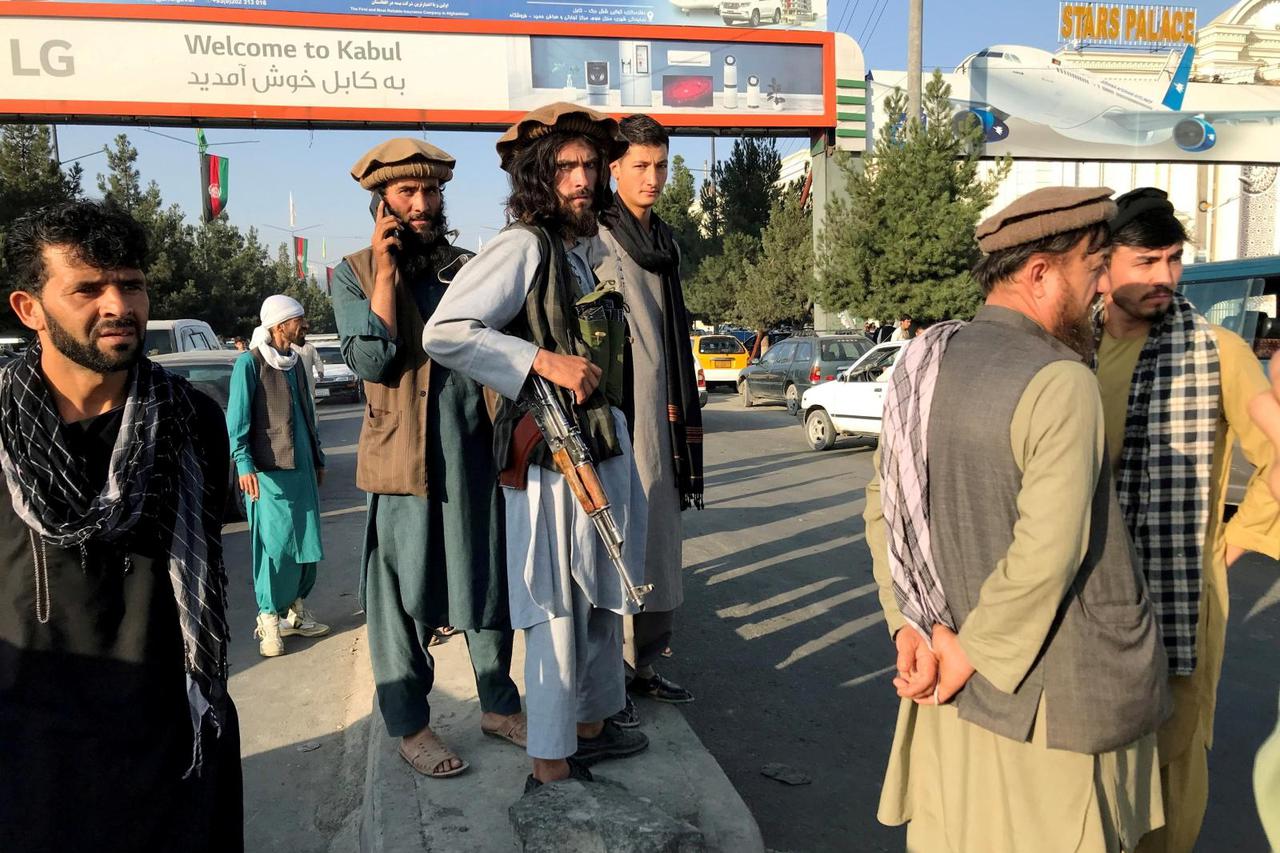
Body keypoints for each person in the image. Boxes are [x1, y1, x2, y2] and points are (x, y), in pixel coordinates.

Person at [864, 187, 1170, 852]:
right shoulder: (1062, 380)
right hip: (1053, 707)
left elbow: (884, 506)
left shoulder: (923, 362)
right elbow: (1047, 552)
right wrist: (964, 651)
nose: (1100, 290)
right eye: (1093, 270)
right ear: (1039, 272)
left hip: (947, 689)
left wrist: (911, 631)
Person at [0, 201, 242, 852]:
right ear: (30, 309)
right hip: (34, 764)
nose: (119, 304)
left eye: (130, 284)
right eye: (87, 287)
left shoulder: (193, 420)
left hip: (174, 747)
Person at [422, 103, 650, 791]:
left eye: (588, 166)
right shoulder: (523, 244)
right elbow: (447, 331)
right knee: (552, 605)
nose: (582, 179)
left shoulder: (587, 248)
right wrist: (541, 361)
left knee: (602, 594)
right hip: (550, 457)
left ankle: (586, 726)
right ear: (539, 178)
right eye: (566, 168)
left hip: (599, 444)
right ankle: (550, 762)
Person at [1094, 188, 1280, 853]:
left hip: (1178, 601)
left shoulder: (1216, 352)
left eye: (1174, 260)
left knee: (1170, 764)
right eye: (1146, 261)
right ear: (1103, 263)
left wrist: (1236, 541)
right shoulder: (1073, 350)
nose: (1165, 277)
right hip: (1088, 600)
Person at [332, 137, 524, 778]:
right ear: (380, 203)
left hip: (473, 451)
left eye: (431, 192)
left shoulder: (467, 267)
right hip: (400, 460)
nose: (422, 204)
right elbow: (372, 361)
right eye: (407, 193)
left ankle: (499, 705)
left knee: (485, 579)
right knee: (403, 592)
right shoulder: (353, 273)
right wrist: (387, 278)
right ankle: (411, 724)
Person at [594, 114, 699, 726]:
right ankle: (610, 680)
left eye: (660, 165)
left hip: (661, 416)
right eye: (640, 165)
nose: (653, 177)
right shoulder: (596, 239)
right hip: (617, 415)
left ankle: (646, 666)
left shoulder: (663, 242)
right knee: (616, 544)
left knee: (659, 540)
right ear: (614, 170)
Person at [226, 294, 329, 658]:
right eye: (299, 320)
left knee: (305, 544)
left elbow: (307, 415)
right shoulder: (249, 364)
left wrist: (317, 458)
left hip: (301, 470)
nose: (305, 326)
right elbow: (237, 420)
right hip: (268, 474)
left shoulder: (295, 362)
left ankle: (294, 612)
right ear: (280, 325)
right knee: (274, 548)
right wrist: (243, 463)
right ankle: (268, 617)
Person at [293, 320, 325, 402]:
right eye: (300, 332)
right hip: (294, 378)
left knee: (310, 400)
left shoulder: (310, 347)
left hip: (308, 379)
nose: (302, 334)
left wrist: (320, 371)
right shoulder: (290, 347)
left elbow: (317, 360)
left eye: (304, 333)